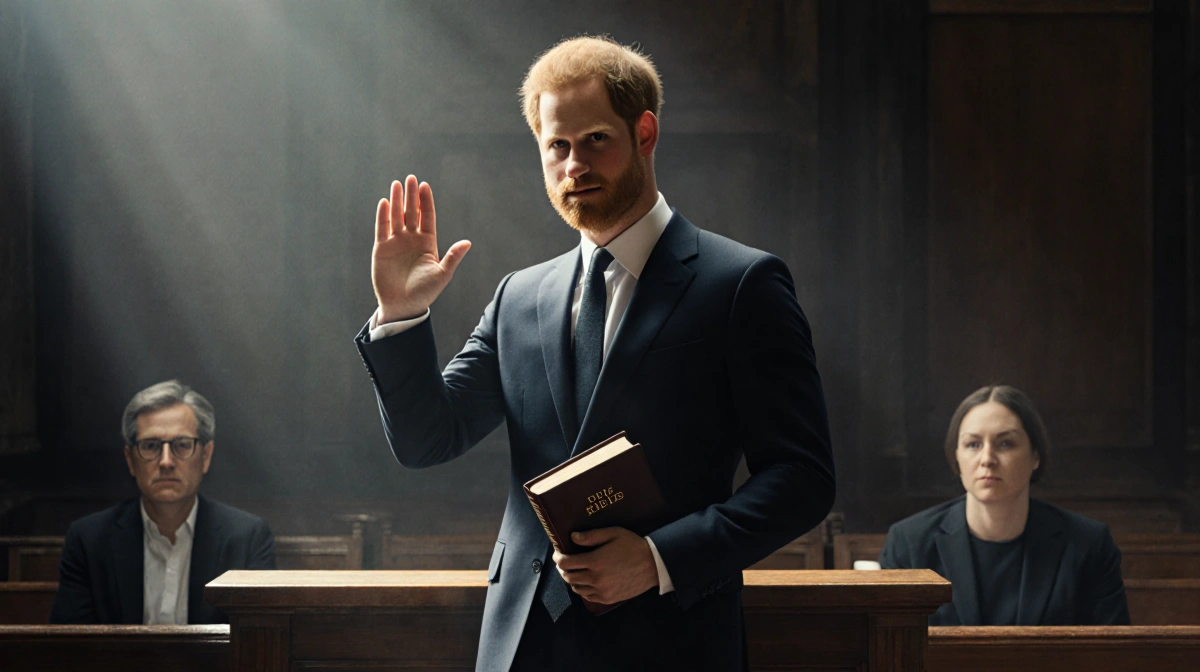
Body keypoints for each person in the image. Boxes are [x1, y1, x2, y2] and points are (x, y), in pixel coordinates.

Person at [354, 36, 835, 671]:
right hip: (523, 642)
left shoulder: (741, 283)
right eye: (557, 146)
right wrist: (401, 315)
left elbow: (803, 479)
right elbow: (426, 441)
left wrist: (660, 559)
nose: (573, 164)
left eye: (595, 141)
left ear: (644, 132)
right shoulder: (518, 296)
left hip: (674, 640)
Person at [879, 384, 1130, 625]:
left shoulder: (1089, 545)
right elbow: (890, 652)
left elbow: (1111, 656)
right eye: (973, 444)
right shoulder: (909, 543)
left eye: (1005, 443)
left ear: (1035, 456)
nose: (987, 458)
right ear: (956, 456)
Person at [50, 380, 276, 624]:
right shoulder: (88, 540)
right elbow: (70, 649)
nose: (166, 461)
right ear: (130, 460)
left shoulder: (248, 538)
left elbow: (258, 642)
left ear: (206, 456)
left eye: (182, 445)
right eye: (150, 446)